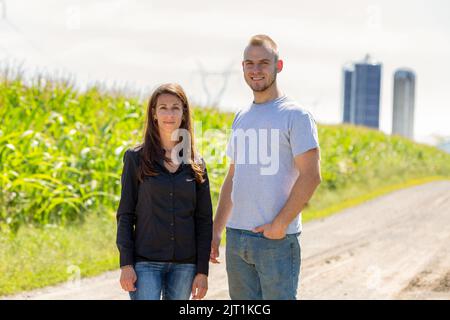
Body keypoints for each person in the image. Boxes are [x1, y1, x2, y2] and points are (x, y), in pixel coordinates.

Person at [210, 35, 322, 300]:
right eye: (250, 63)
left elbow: (311, 176)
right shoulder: (242, 116)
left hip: (276, 241)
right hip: (237, 239)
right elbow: (233, 177)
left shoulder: (296, 115)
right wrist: (216, 230)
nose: (256, 70)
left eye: (263, 63)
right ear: (243, 67)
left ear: (278, 65)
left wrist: (280, 225)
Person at [116, 83, 213, 300]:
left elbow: (204, 220)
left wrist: (202, 271)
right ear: (154, 113)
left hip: (185, 265)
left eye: (175, 107)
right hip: (145, 263)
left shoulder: (196, 163)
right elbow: (125, 214)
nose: (170, 114)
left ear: (184, 112)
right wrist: (126, 264)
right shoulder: (135, 158)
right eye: (163, 108)